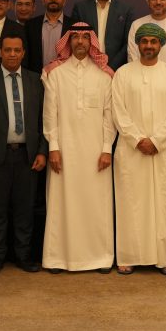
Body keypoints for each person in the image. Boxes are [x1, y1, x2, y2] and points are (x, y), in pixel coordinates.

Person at [41, 23, 116, 272]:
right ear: (69, 41)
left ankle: (100, 258)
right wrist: (53, 147)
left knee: (96, 204)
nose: (81, 41)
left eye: (85, 37)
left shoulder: (105, 75)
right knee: (62, 203)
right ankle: (58, 258)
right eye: (76, 37)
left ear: (92, 41)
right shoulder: (55, 74)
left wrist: (107, 149)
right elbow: (50, 114)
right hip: (64, 151)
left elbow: (109, 116)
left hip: (96, 153)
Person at [0, 34, 47, 274]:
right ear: (0, 53)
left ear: (23, 53)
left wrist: (42, 151)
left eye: (17, 50)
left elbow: (44, 120)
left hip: (27, 156)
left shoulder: (35, 80)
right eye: (8, 50)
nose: (12, 54)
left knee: (25, 211)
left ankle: (24, 257)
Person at [112, 23, 166, 275]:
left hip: (163, 150)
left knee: (163, 203)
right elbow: (118, 111)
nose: (149, 46)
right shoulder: (123, 73)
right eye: (144, 41)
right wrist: (138, 139)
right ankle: (129, 256)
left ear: (161, 45)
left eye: (154, 41)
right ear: (138, 44)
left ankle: (164, 258)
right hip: (131, 150)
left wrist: (156, 140)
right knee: (131, 202)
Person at [71, 0, 134, 70]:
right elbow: (75, 39)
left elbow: (128, 44)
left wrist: (111, 67)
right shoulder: (80, 8)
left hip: (116, 69)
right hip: (86, 68)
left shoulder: (126, 10)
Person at [24, 0, 71, 73]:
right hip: (36, 78)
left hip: (65, 78)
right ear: (43, 0)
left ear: (64, 0)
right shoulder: (30, 25)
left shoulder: (73, 26)